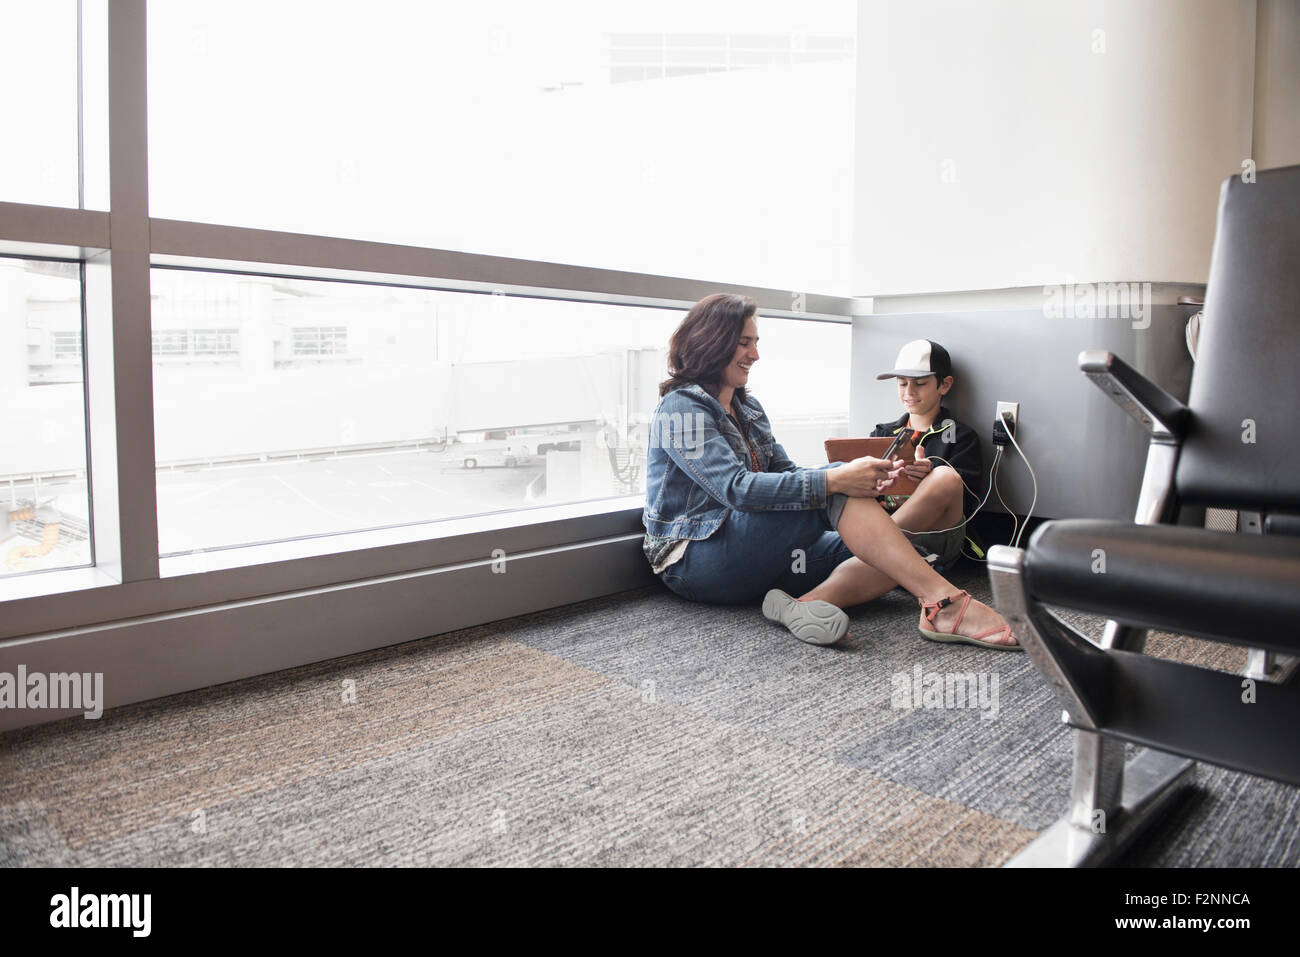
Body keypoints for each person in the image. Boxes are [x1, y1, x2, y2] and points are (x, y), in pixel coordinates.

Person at [642, 293, 1019, 651]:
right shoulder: (682, 409)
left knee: (895, 553)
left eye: (755, 342)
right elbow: (736, 490)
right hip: (693, 558)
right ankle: (944, 603)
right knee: (842, 491)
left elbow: (786, 473)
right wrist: (837, 479)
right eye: (744, 342)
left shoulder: (749, 409)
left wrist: (861, 483)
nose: (755, 354)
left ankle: (799, 605)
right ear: (711, 341)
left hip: (756, 551)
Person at [868, 339, 982, 575]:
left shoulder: (961, 436)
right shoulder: (881, 434)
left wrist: (930, 475)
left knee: (945, 478)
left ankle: (868, 550)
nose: (909, 392)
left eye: (920, 383)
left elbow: (969, 503)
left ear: (945, 385)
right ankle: (873, 553)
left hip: (934, 536)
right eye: (901, 384)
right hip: (882, 521)